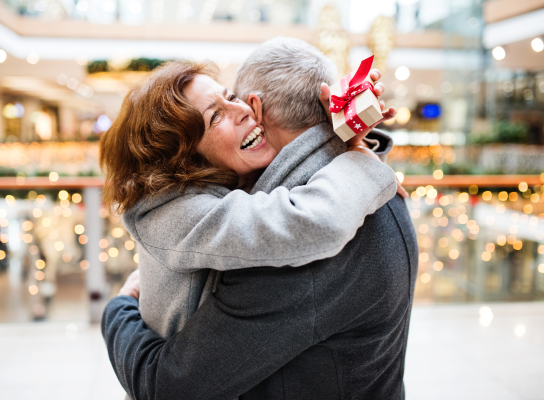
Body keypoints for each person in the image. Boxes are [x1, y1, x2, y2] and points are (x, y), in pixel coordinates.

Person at [102, 37, 418, 400]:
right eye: (215, 115)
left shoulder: (304, 207)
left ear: (254, 102)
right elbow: (165, 383)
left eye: (230, 96)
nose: (240, 112)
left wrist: (357, 145)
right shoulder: (182, 212)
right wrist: (119, 308)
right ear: (183, 156)